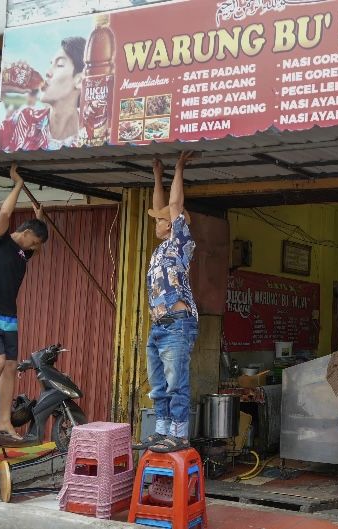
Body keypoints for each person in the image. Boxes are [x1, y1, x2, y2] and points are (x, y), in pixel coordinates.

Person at [0, 164, 47, 440]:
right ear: (25, 233)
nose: (34, 249)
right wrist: (17, 184)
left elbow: (36, 240)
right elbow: (5, 213)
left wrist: (41, 218)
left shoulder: (22, 255)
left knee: (12, 366)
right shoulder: (0, 241)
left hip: (8, 317)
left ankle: (4, 419)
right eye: (35, 242)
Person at [136, 152, 198, 453]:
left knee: (176, 384)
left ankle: (179, 434)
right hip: (160, 325)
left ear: (174, 225)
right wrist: (157, 176)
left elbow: (173, 206)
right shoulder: (160, 248)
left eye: (162, 221)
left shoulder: (181, 241)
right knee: (159, 385)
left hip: (178, 324)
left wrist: (178, 169)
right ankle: (161, 431)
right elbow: (164, 206)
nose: (158, 222)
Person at [0, 37, 85, 151]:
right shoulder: (25, 120)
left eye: (59, 65)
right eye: (51, 63)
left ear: (79, 80)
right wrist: (4, 86)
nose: (47, 72)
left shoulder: (90, 136)